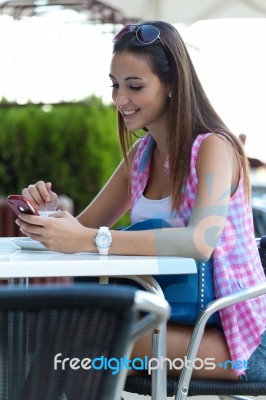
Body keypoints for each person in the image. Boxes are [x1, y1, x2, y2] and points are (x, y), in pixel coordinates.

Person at [18, 21, 266, 381]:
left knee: (78, 333)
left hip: (239, 344)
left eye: (135, 86)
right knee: (67, 329)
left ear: (172, 86)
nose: (119, 99)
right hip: (175, 319)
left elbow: (199, 242)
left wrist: (91, 240)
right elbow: (82, 229)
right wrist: (50, 214)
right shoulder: (141, 156)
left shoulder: (214, 148)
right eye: (115, 85)